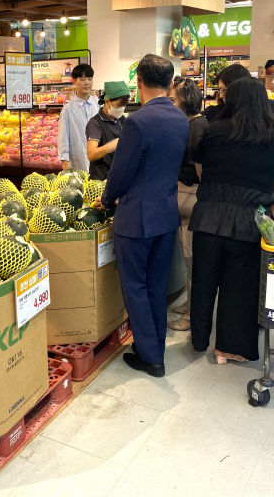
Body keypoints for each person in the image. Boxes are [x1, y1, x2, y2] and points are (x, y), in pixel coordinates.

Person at [189, 78, 274, 364]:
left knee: (204, 282)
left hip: (208, 216)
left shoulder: (215, 130)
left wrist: (211, 187)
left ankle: (198, 340)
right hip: (248, 221)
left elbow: (200, 165)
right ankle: (228, 349)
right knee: (240, 288)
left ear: (231, 100)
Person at [99, 54, 189, 378]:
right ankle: (156, 347)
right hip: (166, 215)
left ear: (138, 83)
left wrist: (106, 198)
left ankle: (149, 356)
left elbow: (121, 172)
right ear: (171, 84)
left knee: (134, 286)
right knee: (156, 286)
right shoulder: (181, 119)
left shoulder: (137, 122)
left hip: (135, 218)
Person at [167, 77, 209, 331]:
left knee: (193, 261)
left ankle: (192, 316)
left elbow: (200, 170)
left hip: (191, 195)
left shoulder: (196, 128)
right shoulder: (195, 124)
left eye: (173, 100)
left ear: (186, 100)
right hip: (189, 194)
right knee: (188, 256)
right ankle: (189, 305)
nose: (170, 105)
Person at [203, 64, 274, 151]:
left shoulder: (270, 108)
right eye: (220, 90)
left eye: (224, 90)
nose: (221, 96)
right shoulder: (214, 113)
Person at [57, 63, 99, 172]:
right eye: (82, 79)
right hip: (78, 165)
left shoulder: (97, 104)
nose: (87, 83)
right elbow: (63, 140)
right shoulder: (67, 110)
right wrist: (66, 169)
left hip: (99, 164)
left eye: (90, 79)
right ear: (74, 81)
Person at [85, 81, 129, 180]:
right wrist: (110, 147)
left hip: (117, 176)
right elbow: (91, 155)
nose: (122, 109)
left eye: (124, 105)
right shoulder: (95, 123)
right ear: (107, 102)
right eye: (119, 105)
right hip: (101, 180)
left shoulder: (121, 119)